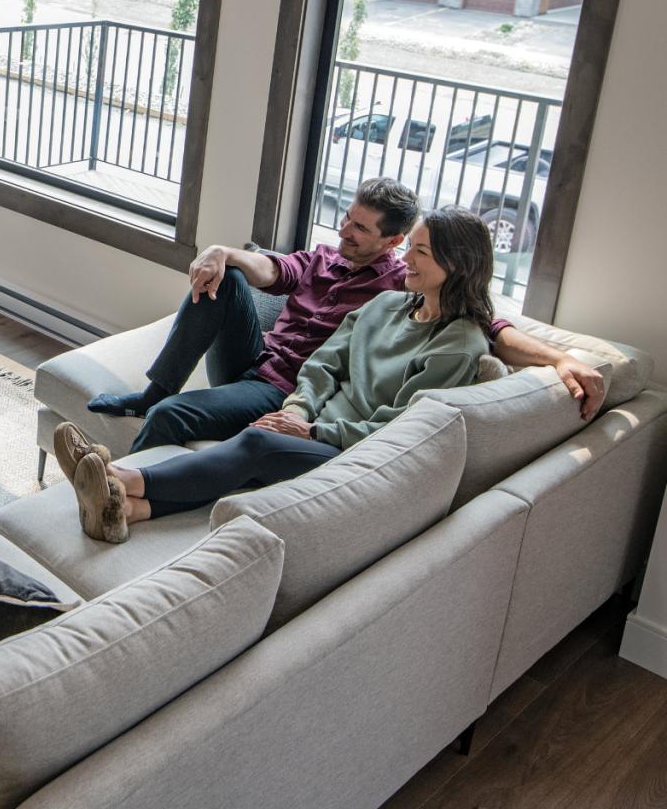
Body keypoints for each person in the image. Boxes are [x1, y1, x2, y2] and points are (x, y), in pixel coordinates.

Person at [60, 207, 495, 542]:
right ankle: (124, 510)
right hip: (301, 413)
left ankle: (117, 478)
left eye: (420, 252)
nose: (408, 261)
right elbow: (325, 363)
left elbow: (400, 428)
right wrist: (299, 408)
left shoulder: (458, 346)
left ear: (456, 265)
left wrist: (312, 430)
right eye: (410, 249)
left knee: (257, 443)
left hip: (351, 450)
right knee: (250, 433)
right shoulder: (386, 306)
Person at [84, 177, 604, 456]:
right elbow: (272, 269)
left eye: (360, 228)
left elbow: (489, 328)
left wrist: (561, 360)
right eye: (348, 219)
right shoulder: (322, 258)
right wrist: (223, 251)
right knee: (232, 278)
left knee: (177, 416)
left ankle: (123, 481)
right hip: (253, 360)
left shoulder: (402, 283)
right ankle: (155, 389)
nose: (345, 231)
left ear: (393, 241)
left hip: (283, 389)